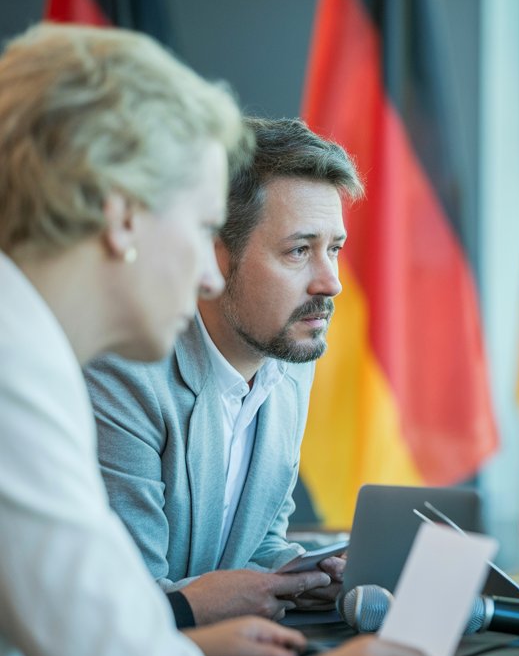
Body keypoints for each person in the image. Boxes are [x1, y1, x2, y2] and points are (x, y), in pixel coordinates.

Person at [0, 23, 519, 656]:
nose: (204, 269)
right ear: (123, 216)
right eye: (196, 230)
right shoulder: (18, 376)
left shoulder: (30, 349)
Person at [85, 117, 358, 626]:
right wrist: (227, 596)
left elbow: (257, 548)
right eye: (299, 251)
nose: (331, 282)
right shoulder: (125, 374)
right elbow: (125, 603)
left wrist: (305, 577)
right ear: (214, 254)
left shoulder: (288, 359)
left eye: (334, 249)